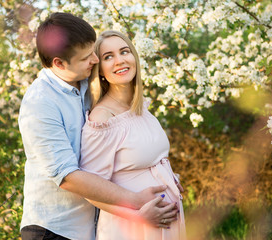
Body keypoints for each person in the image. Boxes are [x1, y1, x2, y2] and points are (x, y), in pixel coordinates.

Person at [18, 13, 178, 240]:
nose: (94, 60)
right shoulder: (40, 103)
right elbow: (67, 177)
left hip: (90, 228)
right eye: (86, 58)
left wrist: (164, 178)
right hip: (54, 230)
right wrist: (135, 201)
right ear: (59, 63)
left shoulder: (83, 82)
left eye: (94, 53)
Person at [80, 30, 186, 240]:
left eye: (124, 52)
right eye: (108, 57)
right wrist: (138, 216)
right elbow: (90, 189)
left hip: (163, 225)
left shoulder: (140, 108)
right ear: (100, 69)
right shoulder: (103, 118)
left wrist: (168, 176)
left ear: (134, 58)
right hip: (131, 228)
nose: (119, 61)